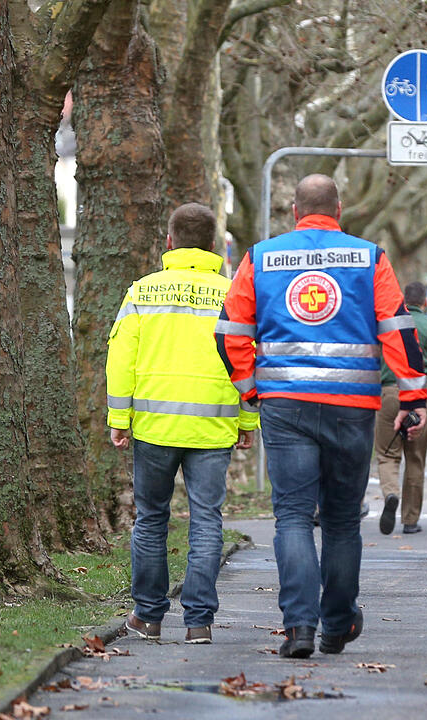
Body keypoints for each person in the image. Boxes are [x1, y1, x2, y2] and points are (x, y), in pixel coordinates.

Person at [215, 174, 427, 658]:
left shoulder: (262, 256)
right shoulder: (368, 256)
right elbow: (398, 329)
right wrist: (414, 399)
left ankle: (299, 628)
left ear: (294, 210)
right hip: (351, 407)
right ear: (340, 208)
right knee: (340, 521)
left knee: (291, 516)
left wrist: (249, 388)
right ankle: (336, 624)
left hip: (284, 405)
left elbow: (229, 331)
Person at [106, 203, 259, 646]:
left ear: (169, 242)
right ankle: (198, 623)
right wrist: (248, 419)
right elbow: (247, 360)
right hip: (213, 429)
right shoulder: (233, 295)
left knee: (151, 520)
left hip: (153, 427)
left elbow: (121, 358)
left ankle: (149, 617)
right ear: (214, 245)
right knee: (207, 521)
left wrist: (120, 417)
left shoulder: (142, 292)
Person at [374, 281, 427, 535]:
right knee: (415, 458)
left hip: (389, 393)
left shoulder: (388, 325)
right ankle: (410, 520)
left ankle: (390, 493)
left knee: (387, 454)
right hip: (421, 397)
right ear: (424, 302)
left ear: (403, 299)